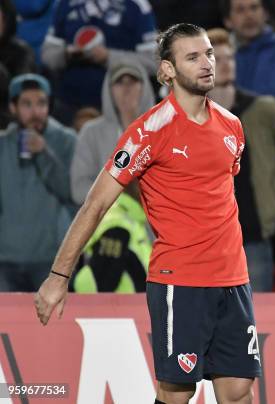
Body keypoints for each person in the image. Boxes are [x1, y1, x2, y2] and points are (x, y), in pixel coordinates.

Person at [34, 23, 261, 404]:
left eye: (208, 53)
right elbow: (96, 203)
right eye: (193, 57)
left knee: (238, 390)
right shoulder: (149, 131)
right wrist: (59, 276)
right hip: (180, 281)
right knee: (177, 392)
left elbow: (218, 195)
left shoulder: (232, 126)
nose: (207, 63)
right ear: (167, 71)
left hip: (234, 278)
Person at [207, 28, 275, 291]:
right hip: (206, 237)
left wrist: (272, 175)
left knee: (256, 318)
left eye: (230, 57)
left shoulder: (260, 107)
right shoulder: (194, 115)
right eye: (218, 58)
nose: (226, 64)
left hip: (252, 232)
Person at [0, 73, 76, 291]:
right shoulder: (3, 144)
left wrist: (44, 153)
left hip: (50, 259)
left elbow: (72, 193)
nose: (36, 112)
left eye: (41, 103)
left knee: (51, 325)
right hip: (5, 259)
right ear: (13, 108)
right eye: (27, 104)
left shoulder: (66, 140)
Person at [41, 0, 157, 123]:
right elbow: (47, 56)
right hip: (69, 106)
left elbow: (153, 62)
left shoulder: (137, 6)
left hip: (119, 110)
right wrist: (66, 54)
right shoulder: (64, 3)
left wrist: (108, 57)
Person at [70, 58, 156, 205]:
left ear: (144, 87)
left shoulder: (166, 129)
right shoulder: (91, 133)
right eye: (119, 82)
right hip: (110, 223)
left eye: (132, 81)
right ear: (109, 90)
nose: (126, 88)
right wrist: (123, 198)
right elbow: (78, 188)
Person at [222, 0, 275, 108]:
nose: (249, 15)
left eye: (254, 8)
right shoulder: (216, 57)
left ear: (266, 13)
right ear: (227, 20)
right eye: (240, 10)